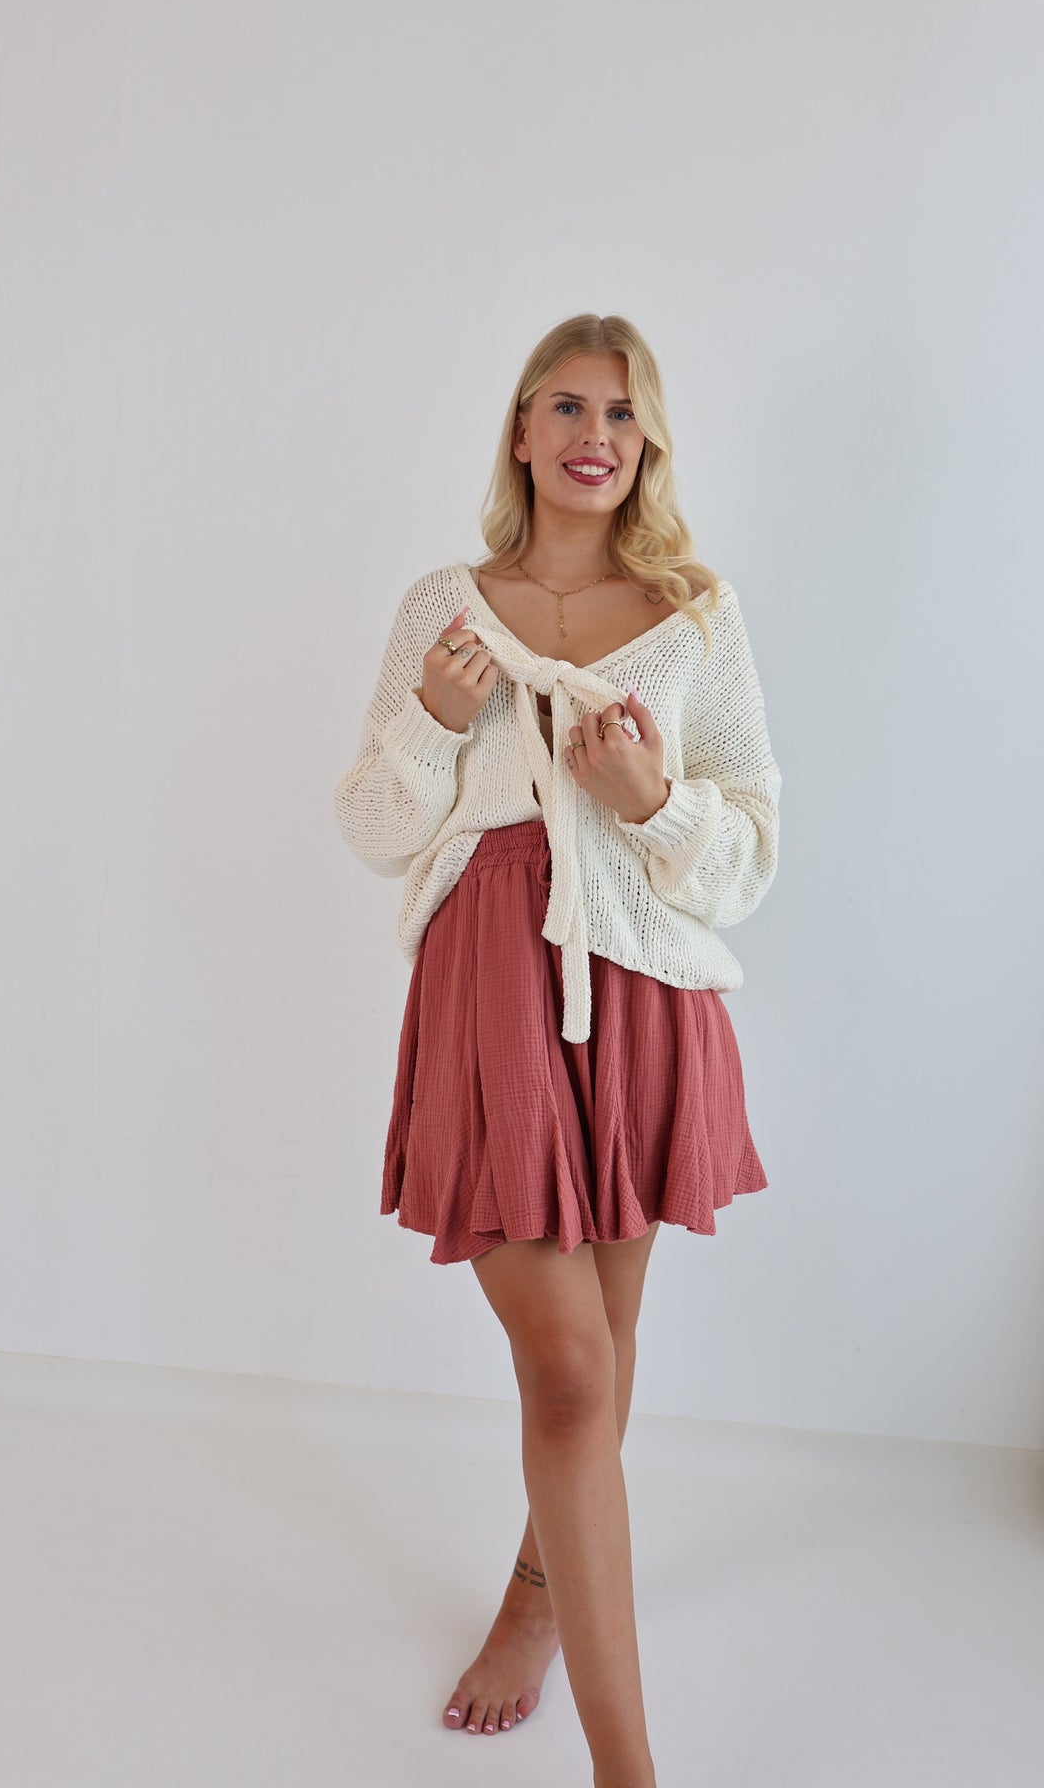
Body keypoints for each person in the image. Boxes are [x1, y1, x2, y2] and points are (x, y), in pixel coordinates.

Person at [333, 312, 781, 1788]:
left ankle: (537, 1600)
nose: (597, 435)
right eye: (569, 407)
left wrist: (653, 798)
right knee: (574, 1372)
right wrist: (430, 720)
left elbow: (748, 857)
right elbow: (375, 827)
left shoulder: (693, 617)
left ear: (648, 446)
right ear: (521, 432)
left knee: (604, 1351)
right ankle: (626, 1769)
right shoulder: (446, 609)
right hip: (493, 997)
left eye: (623, 413)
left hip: (640, 990)